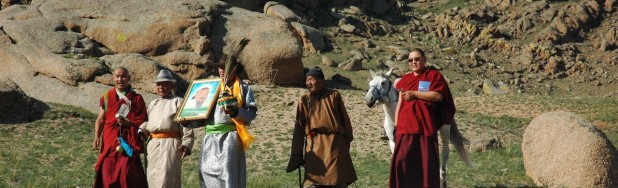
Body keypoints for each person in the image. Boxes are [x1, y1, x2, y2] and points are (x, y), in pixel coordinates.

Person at [389, 48, 456, 188]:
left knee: (425, 165)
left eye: (417, 59)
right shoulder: (405, 79)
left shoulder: (433, 75)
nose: (414, 62)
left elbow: (438, 96)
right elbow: (400, 103)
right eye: (411, 60)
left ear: (424, 60)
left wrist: (415, 93)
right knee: (402, 163)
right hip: (405, 127)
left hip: (425, 127)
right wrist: (396, 126)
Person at [185, 63, 258, 188]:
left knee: (228, 176)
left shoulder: (243, 88)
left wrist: (236, 112)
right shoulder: (210, 87)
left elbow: (251, 114)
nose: (222, 71)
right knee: (205, 172)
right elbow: (202, 115)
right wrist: (188, 121)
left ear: (234, 69)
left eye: (226, 68)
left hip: (230, 139)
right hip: (209, 139)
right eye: (220, 68)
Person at [286, 66, 357, 187]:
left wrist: (346, 142)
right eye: (307, 80)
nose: (308, 83)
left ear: (321, 82)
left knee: (336, 180)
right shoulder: (304, 100)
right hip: (314, 146)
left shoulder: (334, 96)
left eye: (312, 79)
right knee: (313, 181)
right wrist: (297, 155)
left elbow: (345, 121)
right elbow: (299, 128)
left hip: (334, 146)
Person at [139, 70, 195, 188]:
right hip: (153, 145)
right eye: (158, 84)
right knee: (151, 178)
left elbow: (186, 124)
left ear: (171, 85)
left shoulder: (178, 102)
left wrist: (186, 144)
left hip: (171, 144)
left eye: (164, 84)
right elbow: (150, 122)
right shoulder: (153, 103)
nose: (161, 87)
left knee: (167, 180)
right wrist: (142, 130)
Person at [93, 67, 148, 187]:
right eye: (117, 76)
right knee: (108, 172)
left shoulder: (137, 99)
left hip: (129, 142)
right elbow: (101, 118)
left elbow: (142, 120)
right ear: (113, 78)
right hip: (110, 141)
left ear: (129, 78)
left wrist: (129, 124)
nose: (120, 79)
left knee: (127, 172)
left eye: (123, 76)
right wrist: (97, 136)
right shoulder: (107, 97)